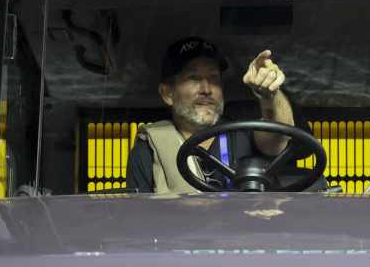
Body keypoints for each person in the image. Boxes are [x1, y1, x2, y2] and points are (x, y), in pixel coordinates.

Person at [126, 37, 296, 194]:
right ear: (167, 94)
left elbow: (279, 135)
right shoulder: (149, 150)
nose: (206, 89)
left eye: (214, 78)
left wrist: (270, 93)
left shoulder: (243, 132)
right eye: (193, 78)